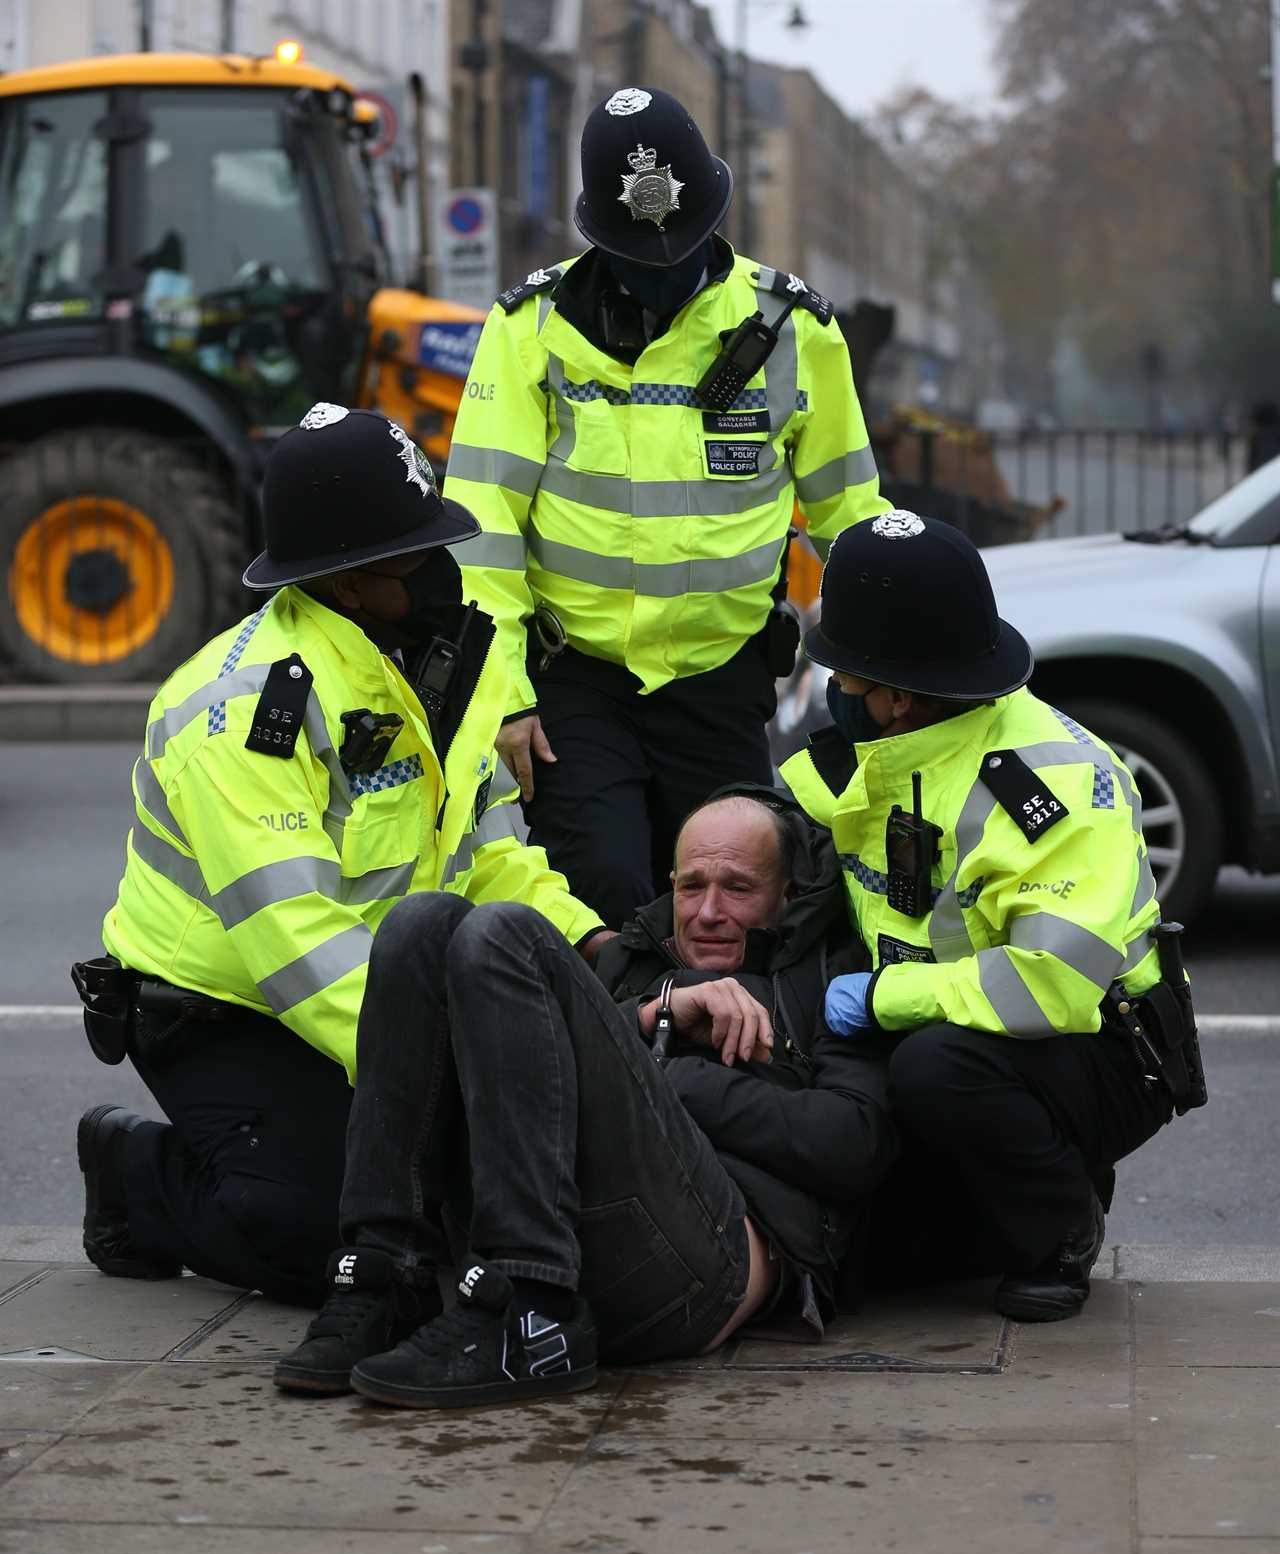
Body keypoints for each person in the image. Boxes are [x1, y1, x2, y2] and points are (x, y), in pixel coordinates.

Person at [74, 405, 603, 1305]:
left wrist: (592, 956)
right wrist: (447, 1057)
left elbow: (492, 856)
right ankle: (134, 1175)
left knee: (480, 1188)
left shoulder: (446, 666)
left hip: (376, 997)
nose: (442, 573)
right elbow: (295, 942)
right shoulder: (241, 710)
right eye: (415, 558)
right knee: (323, 1236)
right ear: (347, 584)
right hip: (222, 1011)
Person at [272, 789, 897, 1405]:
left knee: (505, 930)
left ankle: (533, 1312)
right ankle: (387, 1280)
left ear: (786, 894)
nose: (708, 911)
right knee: (420, 922)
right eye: (690, 886)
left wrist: (666, 1074)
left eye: (737, 888)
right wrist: (657, 1017)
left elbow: (853, 1142)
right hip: (570, 1229)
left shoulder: (829, 976)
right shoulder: (629, 963)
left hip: (708, 1266)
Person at [444, 85, 891, 927]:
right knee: (605, 888)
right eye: (643, 260)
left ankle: (720, 1054)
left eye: (682, 250)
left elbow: (848, 515)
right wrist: (506, 696)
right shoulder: (528, 328)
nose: (665, 274)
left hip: (720, 677)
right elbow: (482, 522)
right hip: (577, 680)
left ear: (713, 214)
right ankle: (615, 1052)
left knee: (735, 901)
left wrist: (890, 664)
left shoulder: (793, 331)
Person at [780, 510, 1201, 1323]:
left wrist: (878, 1001)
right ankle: (1007, 1184)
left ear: (897, 698)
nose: (837, 692)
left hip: (1100, 1045)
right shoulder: (884, 752)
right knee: (884, 1257)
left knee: (935, 1069)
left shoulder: (1054, 783)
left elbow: (1052, 988)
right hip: (953, 1025)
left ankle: (1062, 1228)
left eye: (849, 679)